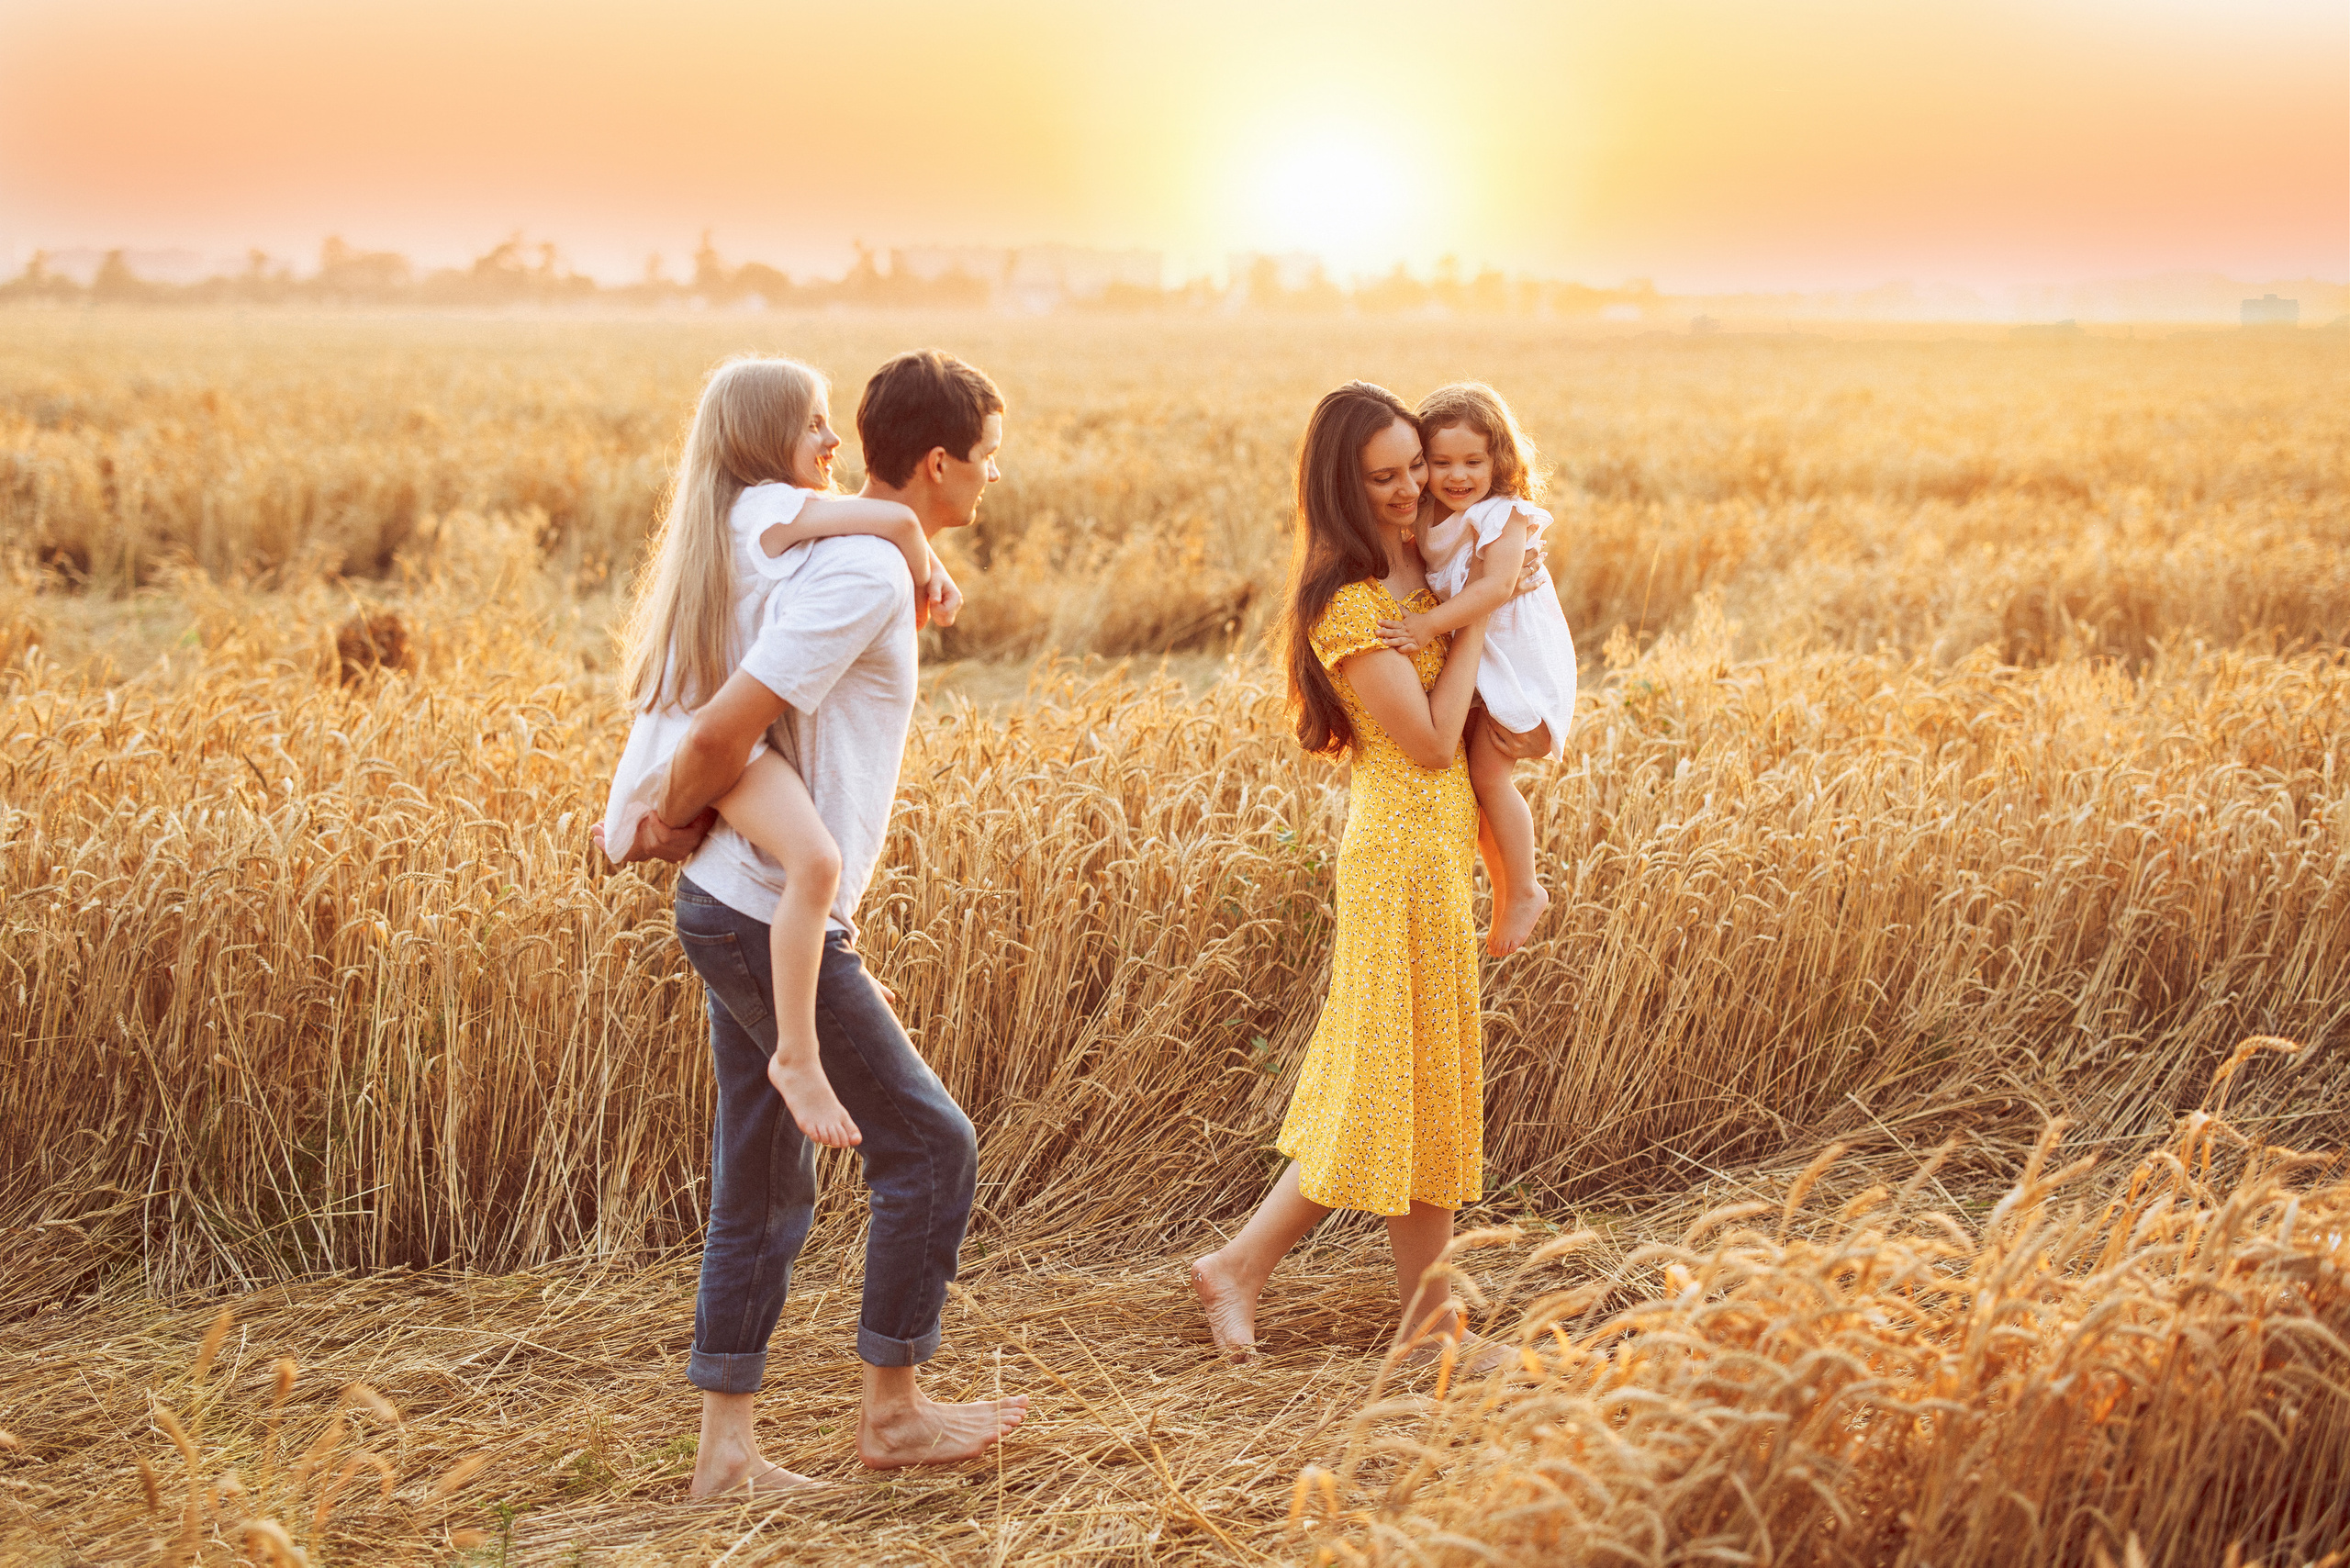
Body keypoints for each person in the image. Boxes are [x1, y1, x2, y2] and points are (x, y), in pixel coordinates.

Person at [610, 349, 1029, 1495]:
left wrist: (913, 544)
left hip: (741, 901)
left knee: (760, 1173)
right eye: (987, 460)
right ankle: (890, 1415)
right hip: (759, 906)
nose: (994, 479)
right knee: (930, 1146)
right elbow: (719, 730)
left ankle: (726, 1453)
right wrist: (669, 813)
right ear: (941, 463)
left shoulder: (831, 543)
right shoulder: (854, 574)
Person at [1190, 381, 1545, 1364]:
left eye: (1414, 470)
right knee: (1400, 1080)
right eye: (1383, 477)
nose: (1407, 490)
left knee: (1413, 1082)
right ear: (1341, 487)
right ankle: (1424, 1329)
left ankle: (1249, 1269)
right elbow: (1430, 745)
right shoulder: (1349, 606)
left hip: (1437, 853)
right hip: (1396, 859)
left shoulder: (1427, 572)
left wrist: (1488, 591)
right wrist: (1473, 620)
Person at [599, 355, 961, 1150]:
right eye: (814, 422)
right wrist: (928, 567)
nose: (834, 440)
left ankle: (814, 1007)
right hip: (724, 742)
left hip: (697, 734)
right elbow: (895, 521)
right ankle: (798, 1054)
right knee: (817, 865)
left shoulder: (728, 511)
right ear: (766, 436)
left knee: (755, 1171)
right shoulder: (775, 508)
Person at [1375, 383, 1577, 956]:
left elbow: (1496, 585)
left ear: (1500, 462)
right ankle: (1506, 885)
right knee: (1476, 787)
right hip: (1482, 664)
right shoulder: (1431, 518)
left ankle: (1524, 890)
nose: (1457, 475)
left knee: (1490, 777)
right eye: (1440, 463)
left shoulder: (1505, 515)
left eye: (1473, 461)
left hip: (1520, 662)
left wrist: (1426, 628)